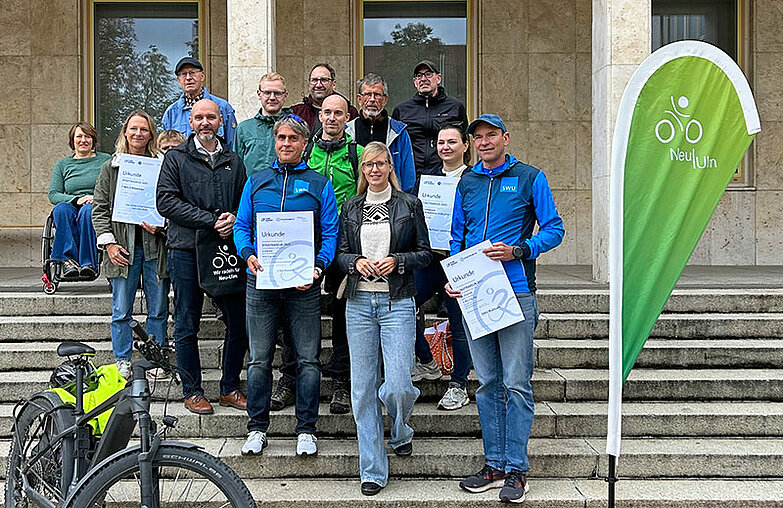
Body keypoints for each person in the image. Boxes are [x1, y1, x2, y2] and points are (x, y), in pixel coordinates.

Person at [447, 114, 564, 503]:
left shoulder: (531, 177)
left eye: (490, 135)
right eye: (477, 137)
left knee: (516, 383)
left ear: (505, 138)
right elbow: (457, 234)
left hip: (515, 293)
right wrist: (455, 275)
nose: (483, 142)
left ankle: (517, 468)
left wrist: (520, 250)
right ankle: (494, 465)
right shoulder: (468, 180)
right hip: (475, 294)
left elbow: (554, 229)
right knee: (487, 384)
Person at [233, 114, 338, 457]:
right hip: (260, 281)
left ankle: (306, 428)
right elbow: (241, 226)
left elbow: (331, 232)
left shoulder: (320, 183)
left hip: (303, 285)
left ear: (305, 143)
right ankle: (257, 428)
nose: (286, 144)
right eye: (281, 138)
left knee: (308, 359)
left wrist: (319, 266)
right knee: (259, 360)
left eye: (293, 138)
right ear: (274, 142)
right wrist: (247, 254)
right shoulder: (257, 180)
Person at [336, 141, 432, 496]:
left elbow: (425, 252)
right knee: (362, 390)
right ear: (362, 170)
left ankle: (402, 428)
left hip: (398, 303)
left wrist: (399, 261)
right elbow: (340, 254)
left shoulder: (409, 204)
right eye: (368, 165)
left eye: (381, 163)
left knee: (398, 385)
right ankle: (373, 469)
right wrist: (355, 263)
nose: (374, 170)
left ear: (391, 166)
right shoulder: (351, 207)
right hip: (359, 304)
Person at [156, 99, 248, 415]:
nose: (205, 122)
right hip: (186, 250)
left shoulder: (233, 161)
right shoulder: (176, 158)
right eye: (199, 118)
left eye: (211, 117)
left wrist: (234, 218)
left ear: (221, 121)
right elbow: (166, 202)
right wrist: (210, 220)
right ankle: (192, 390)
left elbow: (243, 201)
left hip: (226, 251)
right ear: (190, 122)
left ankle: (229, 387)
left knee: (240, 321)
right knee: (186, 322)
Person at [92, 110, 169, 379]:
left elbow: (170, 204)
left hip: (154, 248)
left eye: (144, 130)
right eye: (133, 129)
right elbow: (99, 209)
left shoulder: (162, 166)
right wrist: (109, 245)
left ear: (151, 135)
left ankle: (157, 358)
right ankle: (123, 359)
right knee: (121, 309)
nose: (138, 134)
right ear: (125, 131)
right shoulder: (111, 167)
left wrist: (162, 225)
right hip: (122, 249)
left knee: (158, 308)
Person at [411, 124, 472, 410]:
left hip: (459, 261)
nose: (445, 147)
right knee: (404, 306)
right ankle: (427, 361)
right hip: (429, 259)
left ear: (465, 146)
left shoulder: (475, 178)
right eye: (441, 142)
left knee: (459, 324)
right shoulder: (428, 179)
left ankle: (459, 384)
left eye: (452, 142)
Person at [47, 122, 111, 278]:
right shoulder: (63, 164)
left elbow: (113, 188)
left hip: (97, 204)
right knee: (60, 209)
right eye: (79, 136)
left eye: (87, 136)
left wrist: (95, 198)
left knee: (88, 212)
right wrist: (77, 199)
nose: (83, 140)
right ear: (72, 141)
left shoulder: (105, 160)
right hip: (73, 204)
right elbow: (53, 194)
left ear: (94, 140)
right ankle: (67, 260)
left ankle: (88, 262)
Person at [391, 60, 468, 178]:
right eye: (419, 76)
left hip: (446, 174)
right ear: (415, 82)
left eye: (428, 74)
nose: (423, 79)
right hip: (411, 175)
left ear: (438, 78)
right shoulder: (401, 110)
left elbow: (464, 140)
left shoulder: (455, 107)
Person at [345, 73, 416, 193]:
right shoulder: (347, 132)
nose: (372, 99)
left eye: (377, 95)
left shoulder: (398, 132)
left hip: (392, 202)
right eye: (367, 94)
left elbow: (408, 177)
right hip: (356, 202)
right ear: (359, 99)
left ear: (385, 100)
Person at [162, 57, 238, 151]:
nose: (188, 78)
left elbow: (233, 146)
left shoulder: (223, 107)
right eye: (183, 74)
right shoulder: (171, 113)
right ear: (179, 80)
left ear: (202, 76)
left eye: (192, 73)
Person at [234, 72, 293, 176]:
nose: (272, 97)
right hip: (253, 189)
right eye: (267, 93)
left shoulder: (294, 127)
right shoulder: (244, 129)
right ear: (259, 94)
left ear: (285, 96)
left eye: (278, 93)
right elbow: (236, 166)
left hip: (285, 189)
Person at [291, 62, 359, 135]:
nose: (318, 85)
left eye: (324, 80)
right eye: (314, 80)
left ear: (334, 84)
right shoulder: (296, 112)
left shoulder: (350, 111)